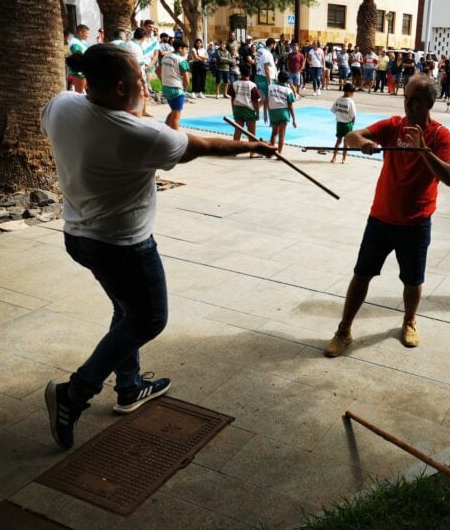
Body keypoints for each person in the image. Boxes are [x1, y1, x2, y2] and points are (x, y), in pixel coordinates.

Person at [42, 44, 275, 451]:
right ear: (119, 88)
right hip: (123, 246)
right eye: (139, 80)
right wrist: (253, 146)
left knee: (125, 308)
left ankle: (129, 387)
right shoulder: (140, 134)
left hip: (78, 237)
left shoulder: (62, 105)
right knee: (148, 319)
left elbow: (91, 124)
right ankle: (75, 393)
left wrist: (125, 111)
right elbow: (201, 146)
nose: (146, 86)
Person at [325, 75, 450, 357]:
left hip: (416, 222)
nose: (408, 104)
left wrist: (423, 149)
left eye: (415, 100)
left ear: (429, 103)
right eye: (406, 98)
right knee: (361, 275)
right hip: (381, 218)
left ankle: (409, 321)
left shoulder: (440, 135)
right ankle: (344, 329)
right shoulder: (393, 126)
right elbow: (350, 136)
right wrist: (362, 142)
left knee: (412, 280)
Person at [160, 39, 191, 130]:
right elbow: (186, 79)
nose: (186, 51)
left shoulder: (165, 57)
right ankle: (175, 139)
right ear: (180, 49)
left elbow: (157, 71)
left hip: (166, 88)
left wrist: (164, 81)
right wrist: (185, 89)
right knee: (176, 117)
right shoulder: (181, 60)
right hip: (176, 89)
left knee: (173, 112)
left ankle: (164, 132)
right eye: (185, 49)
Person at [228, 64, 261, 145]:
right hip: (249, 110)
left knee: (237, 131)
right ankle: (252, 153)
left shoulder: (234, 84)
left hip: (237, 109)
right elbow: (255, 101)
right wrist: (257, 112)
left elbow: (232, 99)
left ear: (240, 72)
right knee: (251, 133)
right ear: (250, 73)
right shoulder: (252, 85)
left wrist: (233, 110)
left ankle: (234, 150)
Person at [267, 71, 297, 153]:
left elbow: (267, 100)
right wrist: (294, 119)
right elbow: (290, 105)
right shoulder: (288, 90)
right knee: (282, 134)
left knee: (274, 132)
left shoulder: (270, 87)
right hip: (283, 112)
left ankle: (270, 151)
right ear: (287, 80)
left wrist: (266, 113)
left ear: (278, 78)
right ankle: (279, 153)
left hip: (273, 112)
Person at [330, 83, 357, 164]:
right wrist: (353, 124)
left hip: (339, 123)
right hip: (347, 124)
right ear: (348, 92)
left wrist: (340, 115)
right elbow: (353, 115)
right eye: (352, 92)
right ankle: (344, 159)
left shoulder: (338, 99)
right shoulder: (350, 102)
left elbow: (333, 110)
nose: (353, 94)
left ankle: (334, 157)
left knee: (338, 141)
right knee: (346, 142)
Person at [256, 38, 278, 123]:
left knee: (264, 99)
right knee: (267, 99)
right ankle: (262, 114)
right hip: (265, 78)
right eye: (275, 44)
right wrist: (270, 82)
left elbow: (256, 61)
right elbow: (266, 68)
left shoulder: (260, 50)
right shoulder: (267, 54)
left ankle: (261, 114)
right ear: (272, 44)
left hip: (258, 76)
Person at [68, 24, 91, 94]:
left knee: (84, 92)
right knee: (79, 93)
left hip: (84, 70)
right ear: (81, 32)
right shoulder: (74, 42)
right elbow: (78, 56)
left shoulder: (83, 41)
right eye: (86, 33)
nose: (88, 35)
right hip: (78, 72)